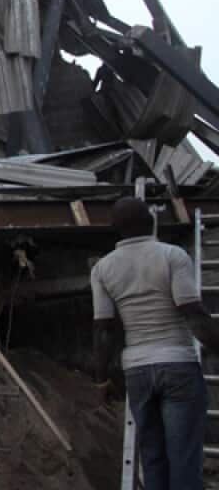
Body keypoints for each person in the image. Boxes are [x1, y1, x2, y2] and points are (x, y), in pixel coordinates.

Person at [92, 197, 219, 490]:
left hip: (137, 371)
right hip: (178, 367)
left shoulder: (102, 269)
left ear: (116, 229)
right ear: (150, 221)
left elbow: (103, 329)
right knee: (184, 459)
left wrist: (101, 379)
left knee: (152, 460)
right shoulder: (172, 256)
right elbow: (193, 314)